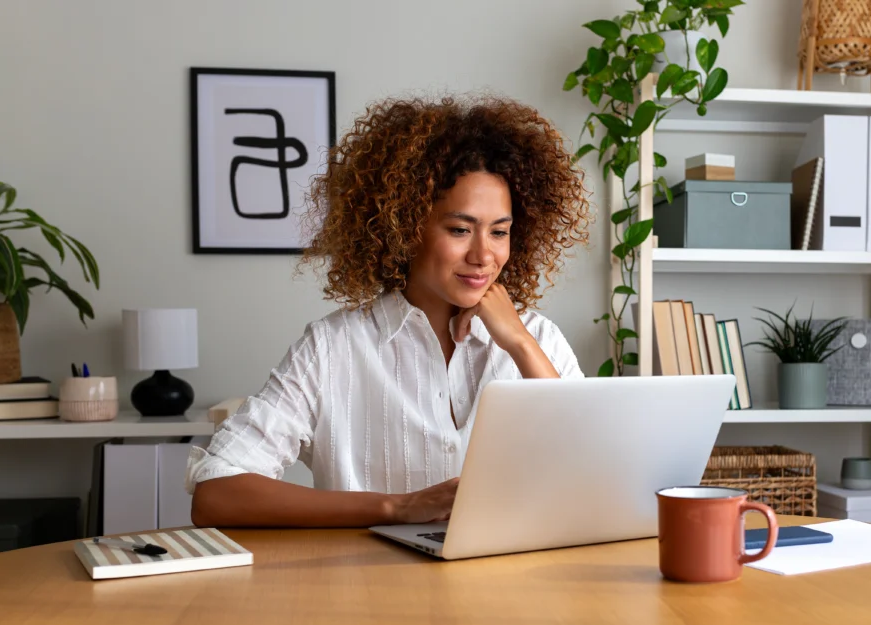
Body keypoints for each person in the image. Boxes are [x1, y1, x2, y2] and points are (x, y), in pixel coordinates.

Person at [187, 95, 592, 528]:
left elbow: (597, 476)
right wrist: (395, 507)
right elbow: (217, 492)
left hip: (513, 589)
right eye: (459, 229)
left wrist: (519, 344)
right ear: (404, 225)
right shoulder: (334, 347)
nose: (484, 255)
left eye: (499, 232)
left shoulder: (537, 339)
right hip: (371, 589)